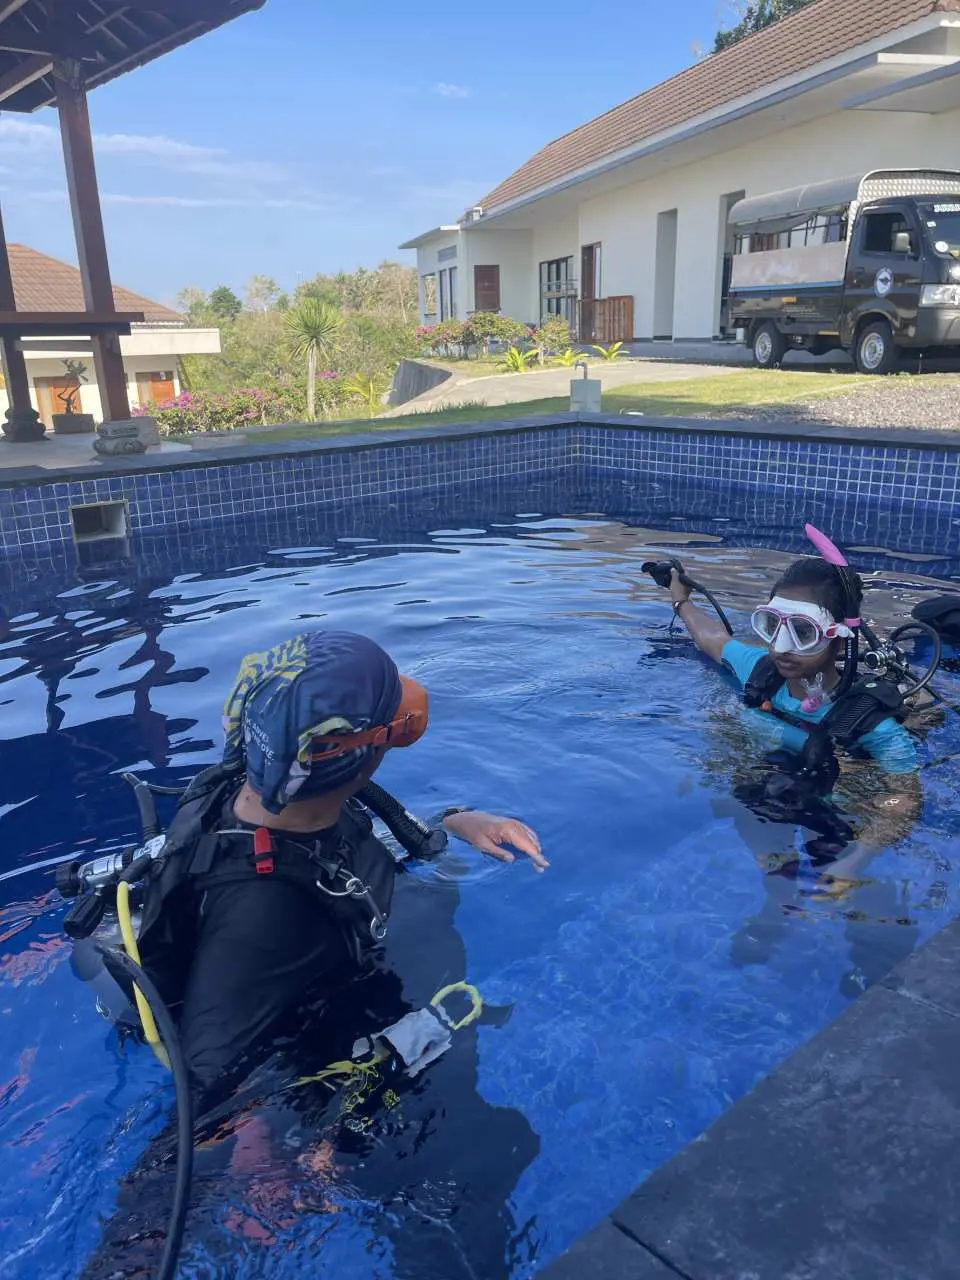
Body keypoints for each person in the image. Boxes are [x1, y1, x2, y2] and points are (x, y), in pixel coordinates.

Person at [81, 629, 545, 1278]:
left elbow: (372, 824)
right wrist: (278, 1149)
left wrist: (460, 820)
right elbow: (207, 1086)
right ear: (352, 758)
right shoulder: (263, 917)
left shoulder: (259, 784)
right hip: (312, 1064)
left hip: (325, 985)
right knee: (488, 1158)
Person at [667, 552, 922, 905]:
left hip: (838, 814)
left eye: (803, 631)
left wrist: (855, 861)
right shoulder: (762, 673)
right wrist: (680, 598)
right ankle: (777, 902)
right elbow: (712, 638)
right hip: (770, 803)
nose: (781, 647)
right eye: (773, 626)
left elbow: (904, 800)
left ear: (838, 635)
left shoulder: (872, 725)